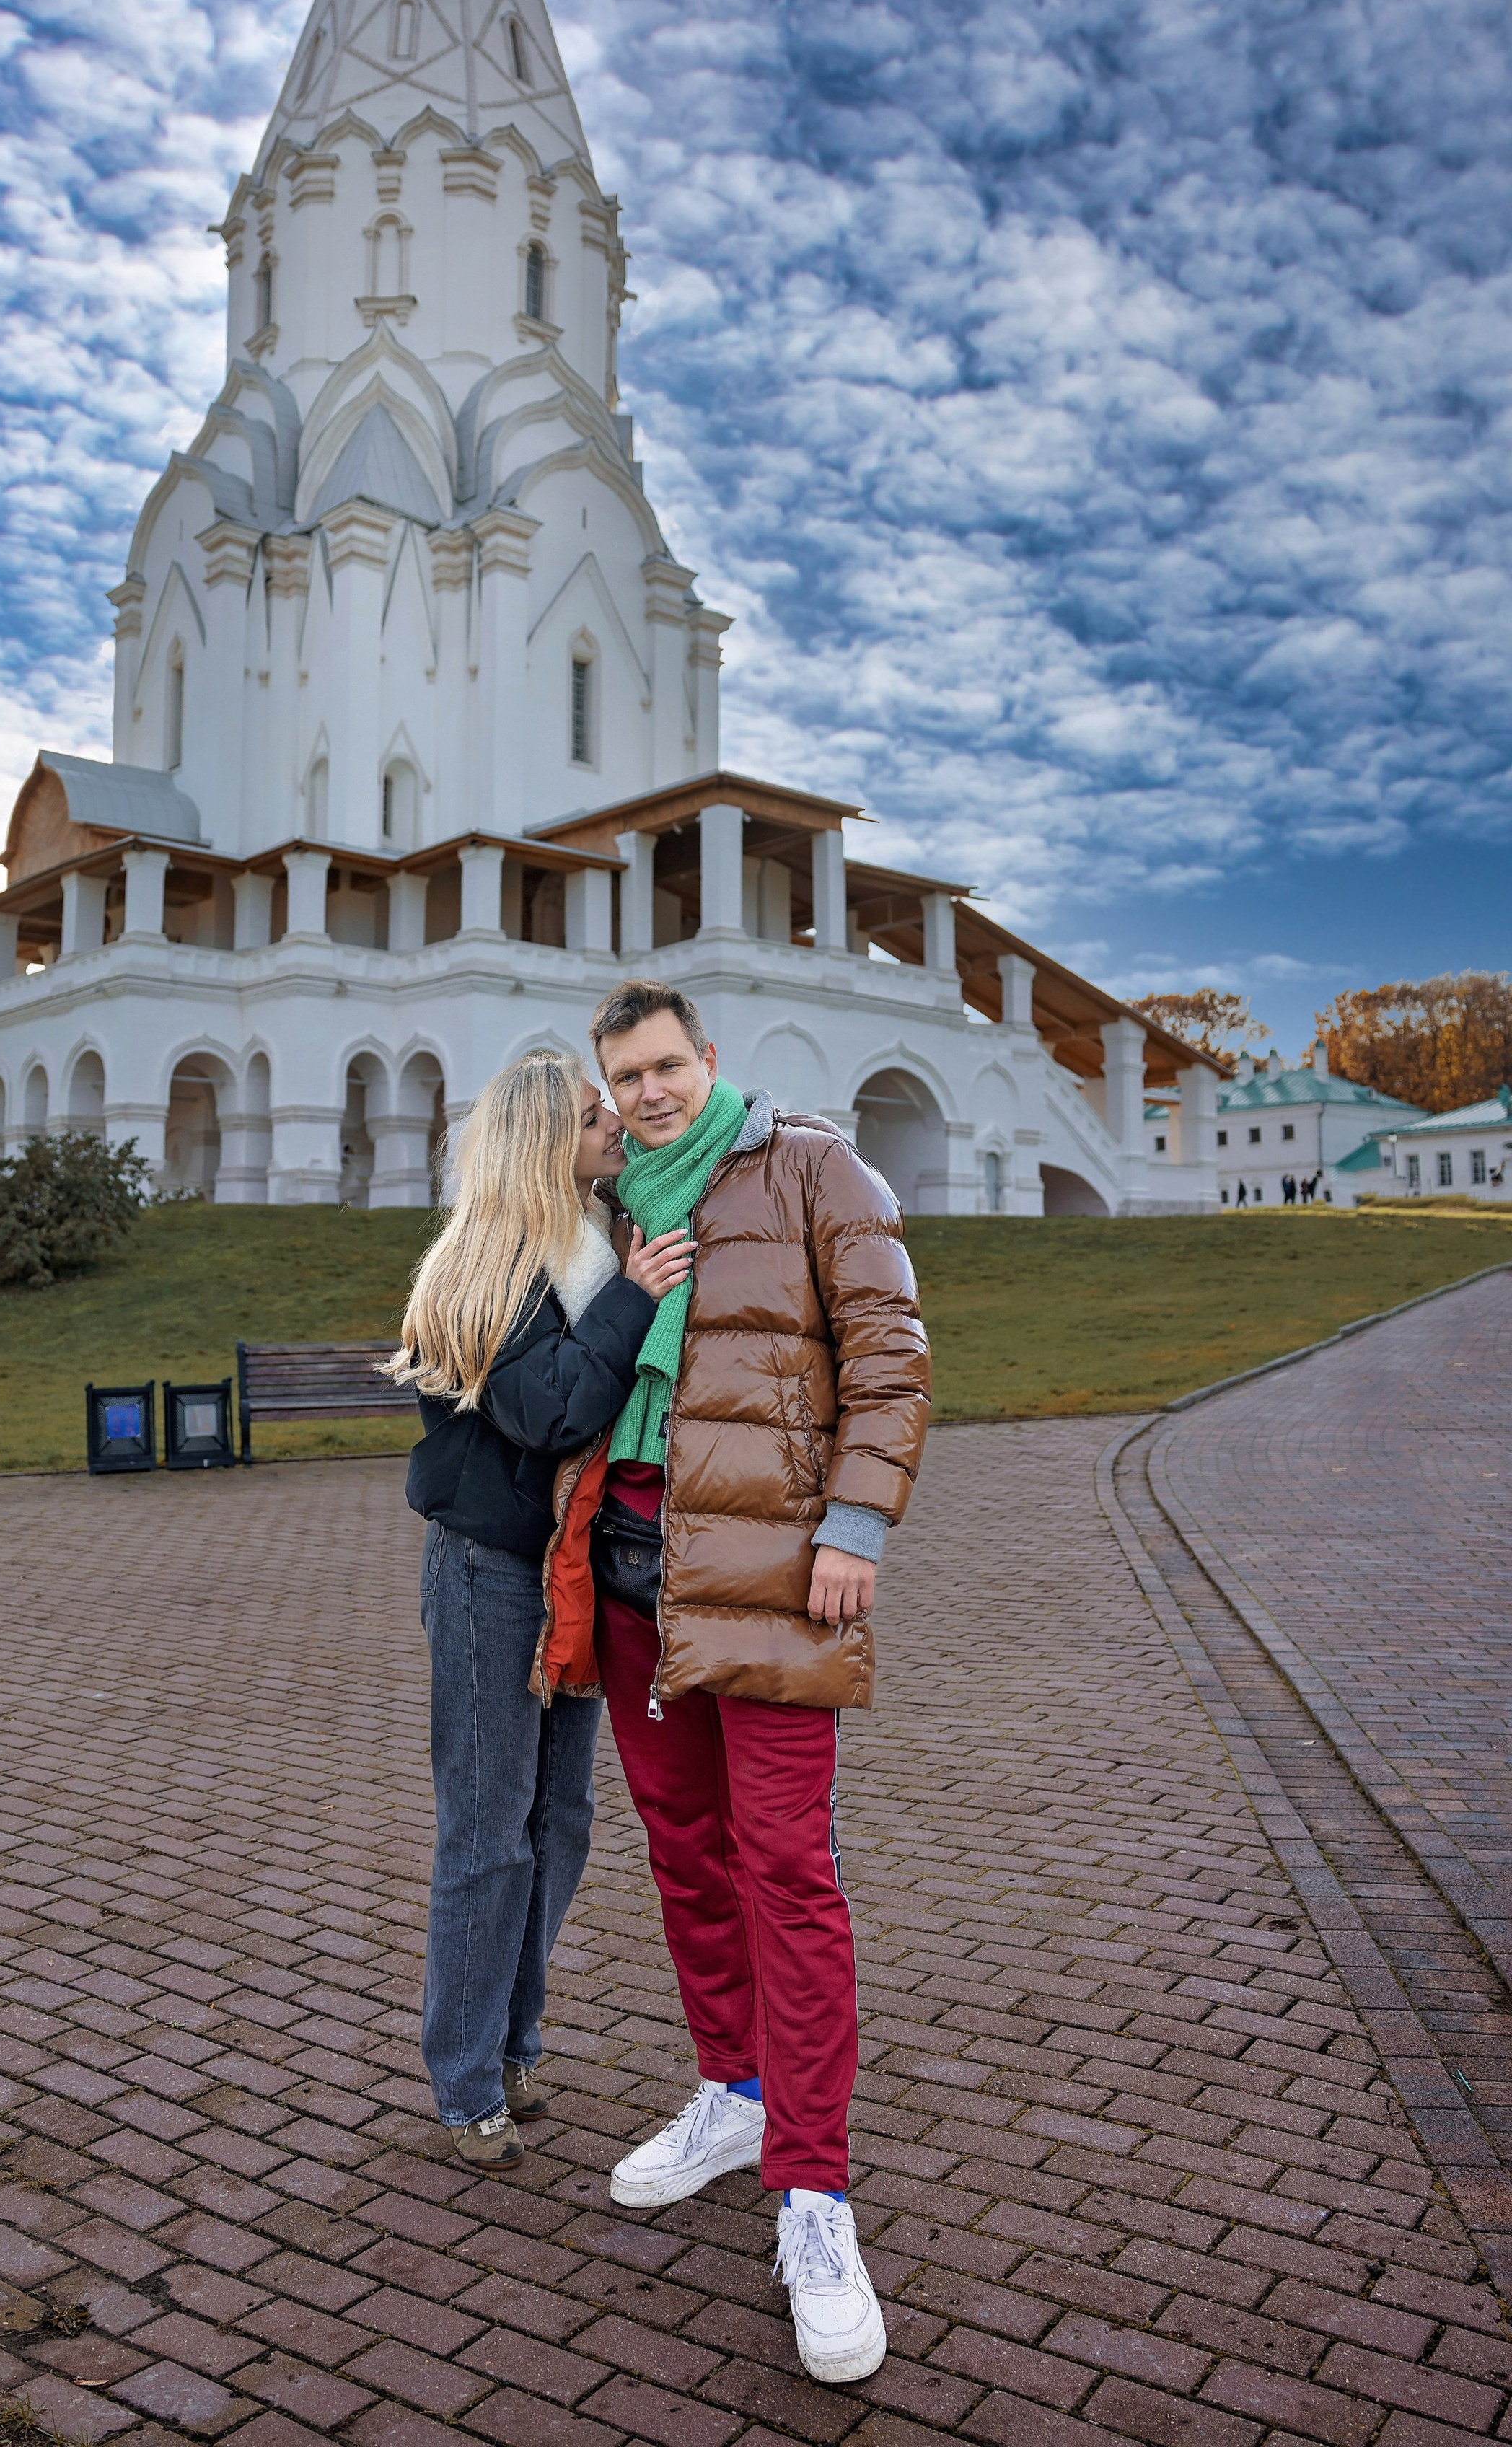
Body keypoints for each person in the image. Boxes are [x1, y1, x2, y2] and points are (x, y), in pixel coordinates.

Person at [529, 982, 930, 2386]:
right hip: (632, 1573)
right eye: (623, 1077)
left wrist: (856, 1526)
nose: (647, 1094)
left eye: (665, 1067)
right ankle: (737, 2090)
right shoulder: (604, 1210)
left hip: (769, 1573)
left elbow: (890, 1356)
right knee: (686, 1857)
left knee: (785, 1870)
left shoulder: (811, 1167)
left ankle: (812, 2192)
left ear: (708, 1059)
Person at [395, 1049, 693, 2169]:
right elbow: (556, 1409)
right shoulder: (489, 1268)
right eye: (590, 1112)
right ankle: (467, 2079)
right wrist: (633, 1297)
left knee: (558, 1820)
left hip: (569, 1570)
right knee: (488, 1831)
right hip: (489, 1574)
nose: (614, 1119)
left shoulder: (593, 1241)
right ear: (540, 1141)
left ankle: (515, 2041)